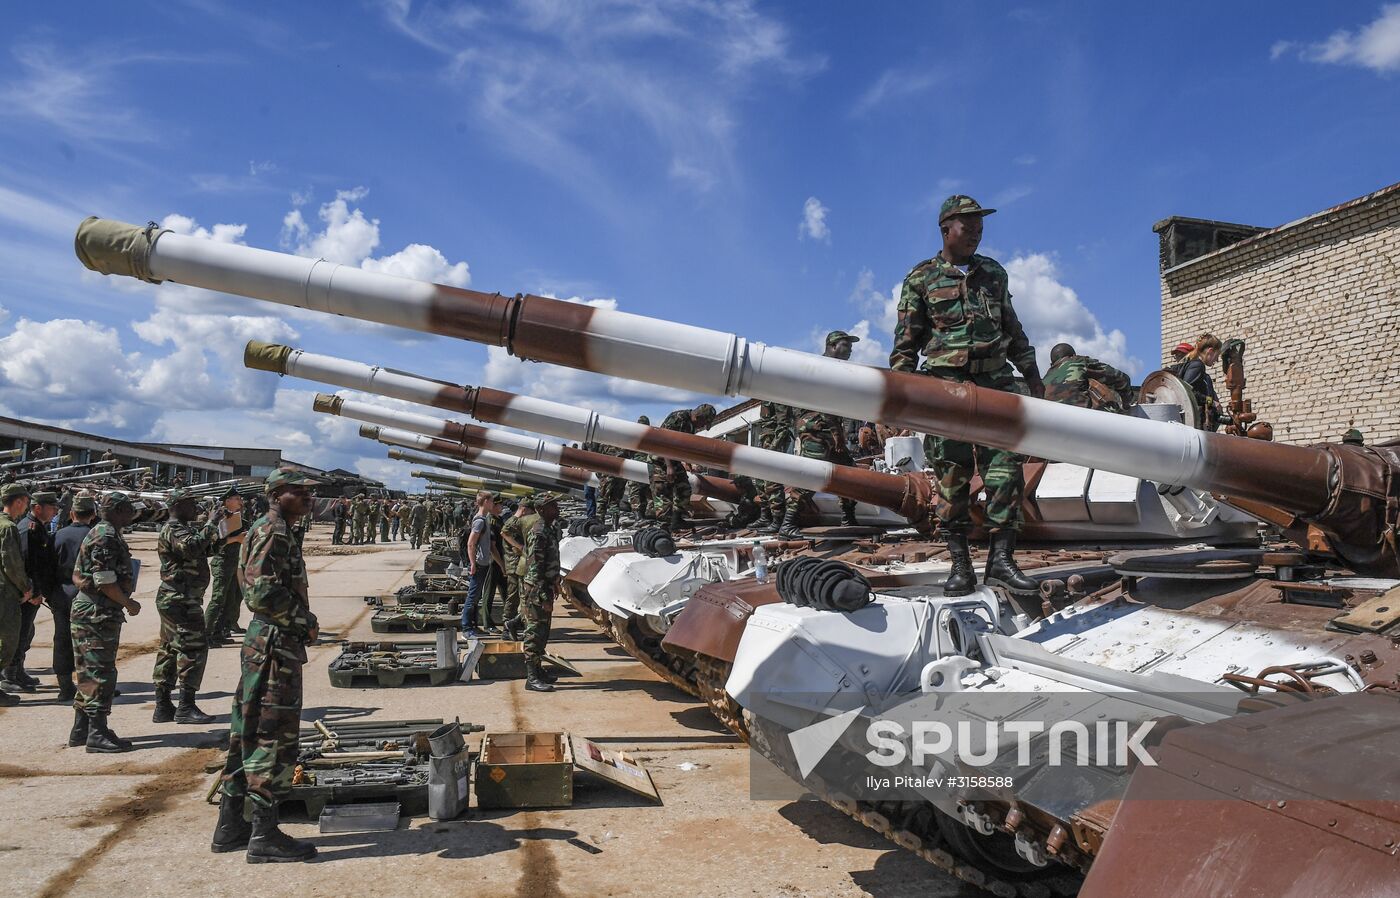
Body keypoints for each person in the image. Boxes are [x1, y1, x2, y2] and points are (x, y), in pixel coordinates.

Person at [891, 194, 1043, 598]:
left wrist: (1034, 378)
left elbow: (1013, 330)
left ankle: (1001, 561)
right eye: (968, 226)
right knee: (951, 479)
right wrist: (900, 399)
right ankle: (960, 565)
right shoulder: (921, 279)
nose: (976, 232)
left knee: (1005, 473)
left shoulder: (994, 274)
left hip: (995, 385)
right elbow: (906, 344)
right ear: (946, 230)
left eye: (980, 226)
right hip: (945, 390)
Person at [211, 467, 319, 863]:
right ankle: (264, 834)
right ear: (277, 494)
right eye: (300, 491)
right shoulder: (273, 532)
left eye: (309, 491)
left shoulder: (272, 528)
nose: (309, 496)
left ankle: (230, 825)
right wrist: (305, 622)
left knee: (248, 729)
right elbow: (261, 593)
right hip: (275, 643)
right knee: (272, 733)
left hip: (267, 640)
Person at [70, 491, 143, 752]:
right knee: (100, 672)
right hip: (97, 612)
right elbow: (104, 580)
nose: (130, 515)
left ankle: (81, 729)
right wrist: (128, 603)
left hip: (93, 610)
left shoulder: (103, 531)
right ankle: (97, 734)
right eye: (127, 510)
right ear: (117, 511)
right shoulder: (106, 536)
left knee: (89, 670)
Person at [151, 489, 221, 725]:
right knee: (193, 649)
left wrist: (219, 529)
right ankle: (185, 706)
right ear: (178, 505)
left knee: (170, 650)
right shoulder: (174, 528)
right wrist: (211, 523)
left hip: (180, 597)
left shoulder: (183, 527)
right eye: (192, 504)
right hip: (180, 599)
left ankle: (163, 705)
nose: (196, 508)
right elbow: (190, 548)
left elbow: (203, 548)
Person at [782, 331, 862, 535]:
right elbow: (824, 404)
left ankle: (848, 518)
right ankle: (788, 524)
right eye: (846, 345)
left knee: (848, 473)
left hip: (828, 429)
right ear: (832, 346)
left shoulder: (835, 369)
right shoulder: (822, 368)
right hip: (817, 430)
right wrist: (836, 434)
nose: (850, 350)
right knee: (812, 475)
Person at [13, 491, 63, 695]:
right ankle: (10, 674)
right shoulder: (29, 529)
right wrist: (33, 590)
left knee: (26, 633)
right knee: (19, 633)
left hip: (33, 591)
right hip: (26, 593)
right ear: (38, 507)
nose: (55, 512)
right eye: (52, 507)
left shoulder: (38, 528)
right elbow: (26, 564)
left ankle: (18, 670)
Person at [53, 492, 96, 703]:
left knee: (62, 639)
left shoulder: (59, 535)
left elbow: (48, 567)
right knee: (90, 644)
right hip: (89, 598)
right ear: (93, 514)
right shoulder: (96, 536)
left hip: (61, 596)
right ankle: (92, 688)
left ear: (71, 513)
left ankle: (65, 687)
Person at [649, 403, 718, 530]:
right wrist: (669, 466)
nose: (702, 427)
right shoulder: (677, 418)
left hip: (673, 460)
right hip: (659, 459)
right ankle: (663, 527)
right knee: (663, 492)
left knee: (684, 488)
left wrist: (687, 461)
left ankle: (676, 520)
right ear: (698, 417)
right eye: (703, 423)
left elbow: (682, 445)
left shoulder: (691, 424)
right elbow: (663, 441)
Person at [520, 493, 562, 692]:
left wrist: (555, 581)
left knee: (543, 632)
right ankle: (531, 677)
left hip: (545, 586)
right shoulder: (538, 532)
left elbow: (549, 562)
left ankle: (538, 670)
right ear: (542, 509)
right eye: (553, 506)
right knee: (534, 633)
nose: (558, 509)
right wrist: (543, 595)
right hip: (536, 590)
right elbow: (535, 568)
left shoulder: (549, 528)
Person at [0, 483, 34, 706]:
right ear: (19, 501)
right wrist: (25, 587)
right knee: (7, 641)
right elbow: (11, 564)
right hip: (5, 593)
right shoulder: (8, 528)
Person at [205, 487, 248, 646]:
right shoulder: (221, 518)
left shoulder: (236, 517)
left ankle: (218, 632)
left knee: (229, 600)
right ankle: (206, 634)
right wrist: (237, 538)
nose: (240, 501)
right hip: (222, 562)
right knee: (218, 599)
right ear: (227, 501)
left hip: (232, 562)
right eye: (237, 499)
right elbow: (216, 542)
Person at [1042, 343, 1135, 413]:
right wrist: (1126, 404)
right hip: (1084, 422)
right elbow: (1121, 379)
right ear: (1073, 355)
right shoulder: (1078, 361)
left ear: (1052, 364)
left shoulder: (1045, 379)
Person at [754, 401, 796, 533]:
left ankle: (778, 520)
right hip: (766, 439)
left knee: (772, 481)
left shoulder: (777, 395)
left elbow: (783, 425)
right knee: (760, 480)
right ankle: (766, 516)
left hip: (774, 441)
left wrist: (773, 447)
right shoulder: (764, 397)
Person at [499, 496, 536, 640]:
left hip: (519, 564)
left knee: (522, 600)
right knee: (513, 598)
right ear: (525, 509)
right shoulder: (513, 521)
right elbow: (504, 532)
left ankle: (517, 625)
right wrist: (519, 546)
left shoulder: (520, 522)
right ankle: (506, 627)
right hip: (514, 564)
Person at [459, 491, 494, 637]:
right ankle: (466, 629)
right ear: (486, 501)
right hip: (478, 564)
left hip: (483, 563)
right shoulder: (480, 520)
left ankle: (473, 626)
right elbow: (471, 544)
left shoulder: (483, 519)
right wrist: (473, 563)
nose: (493, 504)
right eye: (491, 501)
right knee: (472, 597)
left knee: (476, 597)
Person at [1178, 334, 1225, 431]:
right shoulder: (1198, 365)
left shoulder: (1196, 366)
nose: (1216, 360)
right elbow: (1189, 393)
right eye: (1217, 355)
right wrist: (1212, 402)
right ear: (1210, 351)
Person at [624, 416, 653, 519]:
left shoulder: (633, 436)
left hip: (637, 467)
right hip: (646, 467)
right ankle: (640, 515)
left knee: (637, 492)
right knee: (643, 492)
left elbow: (627, 452)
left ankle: (639, 515)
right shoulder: (652, 436)